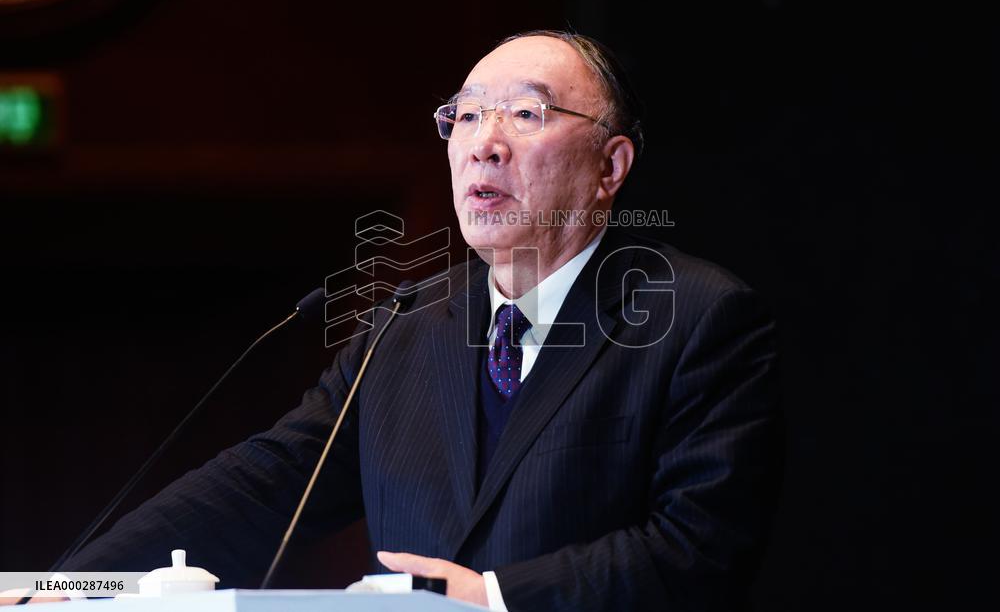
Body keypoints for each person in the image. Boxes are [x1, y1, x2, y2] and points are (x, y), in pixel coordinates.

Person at [29, 31, 782, 611]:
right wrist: (67, 590)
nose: (485, 141)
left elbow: (700, 550)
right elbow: (263, 485)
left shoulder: (694, 318)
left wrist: (488, 599)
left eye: (526, 113)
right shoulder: (404, 327)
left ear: (610, 168)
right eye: (467, 114)